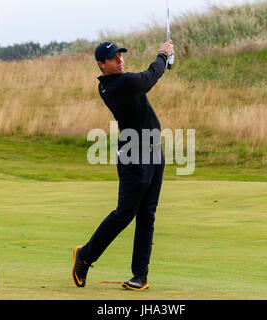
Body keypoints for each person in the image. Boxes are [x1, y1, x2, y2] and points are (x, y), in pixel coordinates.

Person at [72, 40, 174, 291]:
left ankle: (140, 276)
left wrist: (164, 59)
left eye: (120, 55)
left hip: (152, 151)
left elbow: (148, 78)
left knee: (147, 215)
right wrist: (164, 54)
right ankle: (85, 255)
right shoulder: (118, 84)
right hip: (133, 155)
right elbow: (149, 78)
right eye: (113, 58)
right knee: (124, 213)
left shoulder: (119, 81)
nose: (120, 60)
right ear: (101, 64)